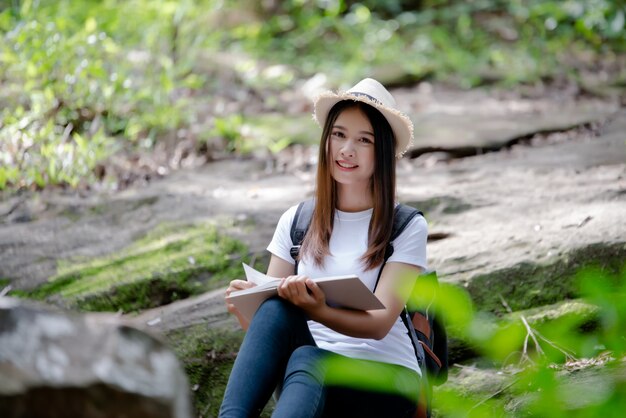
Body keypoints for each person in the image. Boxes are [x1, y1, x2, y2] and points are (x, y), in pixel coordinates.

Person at [219, 78, 428, 418]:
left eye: (364, 140)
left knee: (307, 358)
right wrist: (246, 308)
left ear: (384, 153)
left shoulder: (405, 226)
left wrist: (317, 310)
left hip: (385, 380)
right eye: (339, 134)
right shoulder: (297, 220)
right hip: (309, 377)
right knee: (275, 311)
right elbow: (273, 332)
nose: (347, 149)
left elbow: (379, 323)